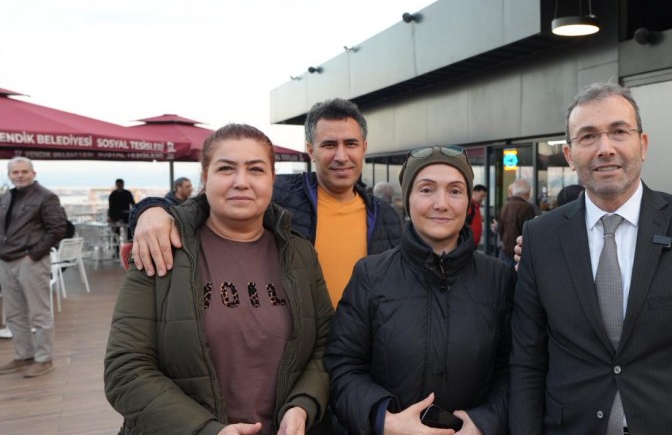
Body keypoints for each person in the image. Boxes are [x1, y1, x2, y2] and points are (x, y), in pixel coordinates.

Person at [510, 83, 672, 434]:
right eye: (588, 136)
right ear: (569, 154)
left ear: (642, 145)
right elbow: (526, 364)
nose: (605, 148)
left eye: (619, 132)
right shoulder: (540, 237)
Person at [104, 124, 334, 435]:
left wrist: (303, 404)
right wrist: (206, 430)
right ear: (205, 177)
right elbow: (125, 370)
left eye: (256, 169)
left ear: (271, 179)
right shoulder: (161, 246)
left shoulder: (300, 253)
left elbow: (323, 348)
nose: (242, 182)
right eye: (226, 169)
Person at [129, 99, 402, 309]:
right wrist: (151, 210)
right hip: (300, 349)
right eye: (329, 144)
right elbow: (204, 204)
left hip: (361, 356)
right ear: (311, 150)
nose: (341, 156)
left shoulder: (386, 215)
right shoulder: (278, 192)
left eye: (350, 144)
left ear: (364, 147)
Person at [326, 145, 514, 435]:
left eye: (454, 191)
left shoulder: (499, 278)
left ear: (468, 201)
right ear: (408, 198)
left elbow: (516, 368)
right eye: (427, 190)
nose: (441, 203)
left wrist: (485, 421)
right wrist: (384, 419)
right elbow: (343, 367)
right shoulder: (371, 275)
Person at [0, 157, 67, 378]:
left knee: (39, 314)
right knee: (14, 314)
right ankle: (24, 356)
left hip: (31, 261)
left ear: (33, 173)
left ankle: (44, 359)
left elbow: (58, 229)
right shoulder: (7, 196)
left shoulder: (46, 197)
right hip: (6, 261)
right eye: (15, 172)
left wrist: (33, 255)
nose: (19, 175)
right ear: (9, 175)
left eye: (24, 171)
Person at [497, 179, 536, 267]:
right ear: (527, 192)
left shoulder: (505, 205)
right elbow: (529, 232)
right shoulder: (527, 208)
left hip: (504, 251)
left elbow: (500, 228)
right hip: (518, 253)